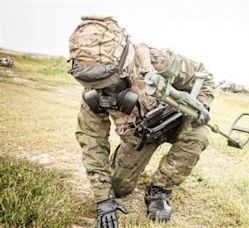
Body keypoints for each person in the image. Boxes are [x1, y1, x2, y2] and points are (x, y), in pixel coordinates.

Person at [68, 16, 214, 227]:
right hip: (140, 137)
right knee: (118, 188)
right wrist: (104, 199)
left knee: (197, 134)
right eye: (93, 82)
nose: (100, 87)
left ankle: (159, 190)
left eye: (105, 81)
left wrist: (203, 104)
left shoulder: (157, 61)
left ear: (123, 64)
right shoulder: (92, 93)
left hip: (176, 122)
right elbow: (92, 141)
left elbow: (204, 76)